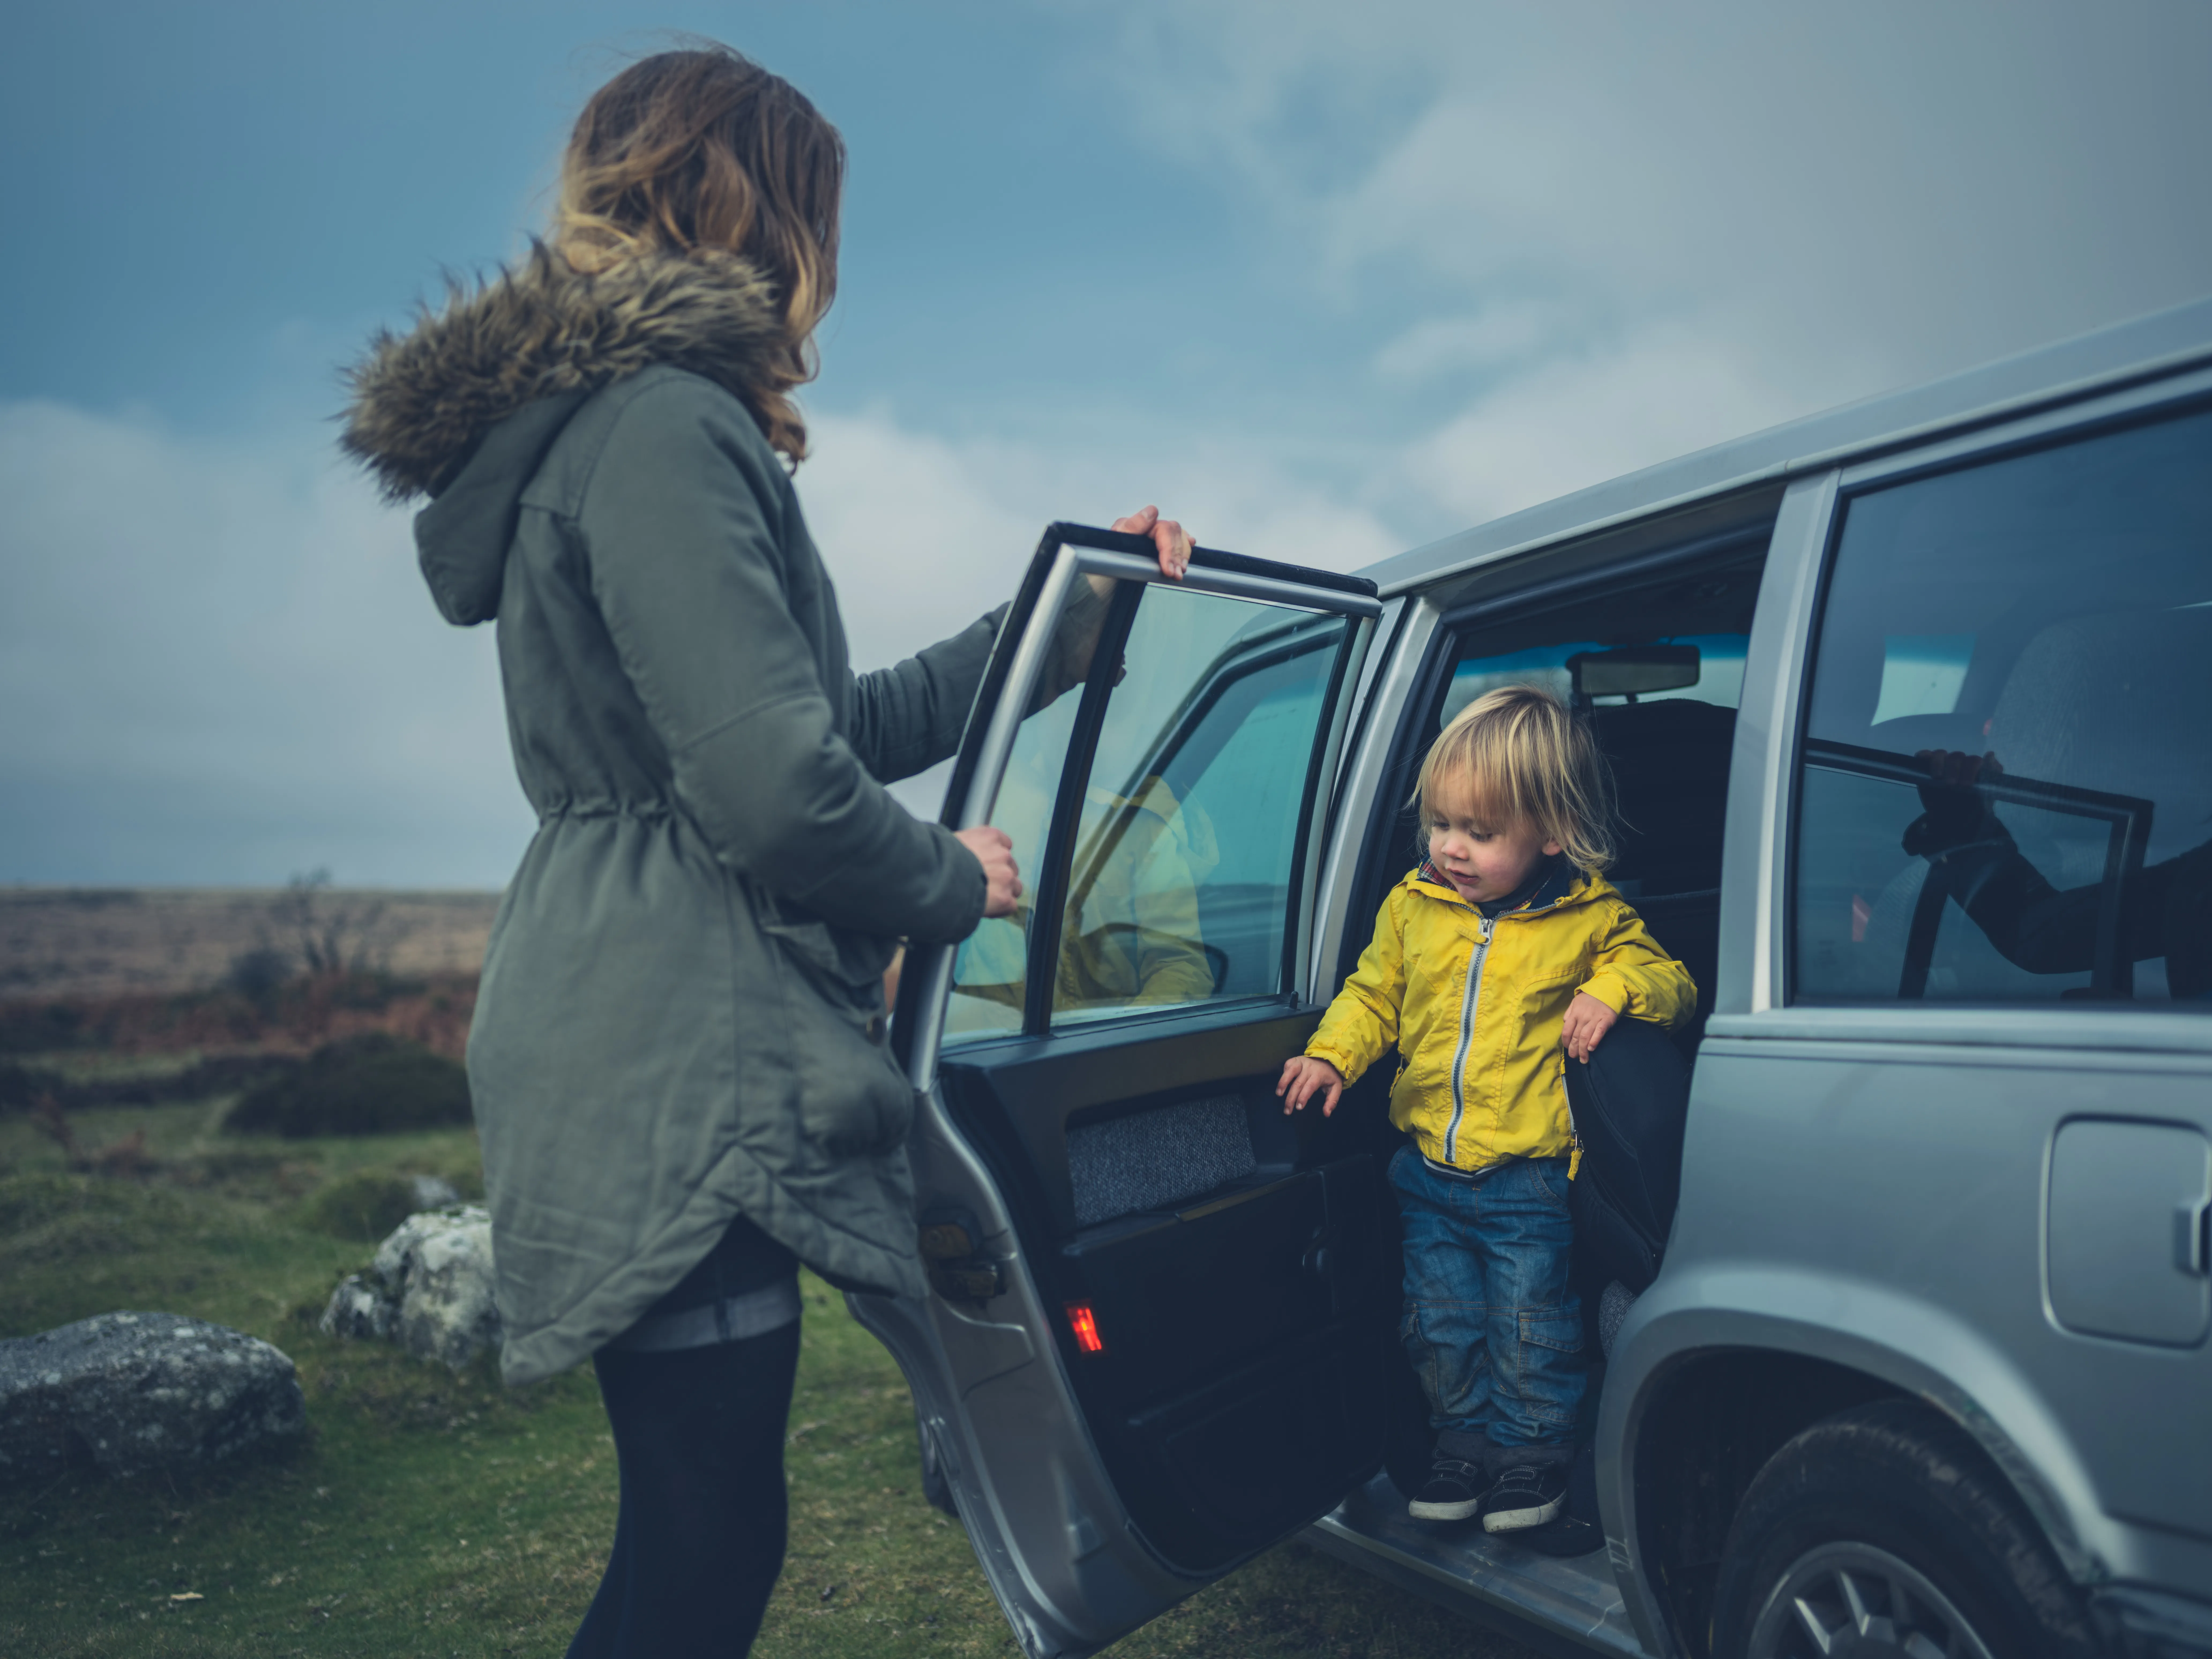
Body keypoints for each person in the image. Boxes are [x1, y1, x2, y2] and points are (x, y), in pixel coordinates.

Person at [338, 44, 1191, 1657]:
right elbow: (777, 791)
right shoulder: (661, 423)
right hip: (682, 1050)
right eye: (823, 220)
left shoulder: (606, 427)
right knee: (707, 1543)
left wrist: (1056, 629)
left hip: (634, 1018)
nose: (829, 269)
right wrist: (953, 880)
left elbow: (821, 723)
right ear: (755, 205)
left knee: (702, 1531)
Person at [1276, 685, 1694, 1533]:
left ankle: (1532, 1454)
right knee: (1440, 1323)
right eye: (1441, 824)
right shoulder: (1413, 908)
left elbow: (1673, 985)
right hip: (1427, 1171)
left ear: (1550, 835)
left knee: (1530, 1324)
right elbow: (1372, 997)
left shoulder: (1591, 920)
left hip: (1528, 1180)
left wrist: (1612, 989)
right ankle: (1461, 1445)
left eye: (1480, 831)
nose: (1451, 849)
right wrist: (1332, 1053)